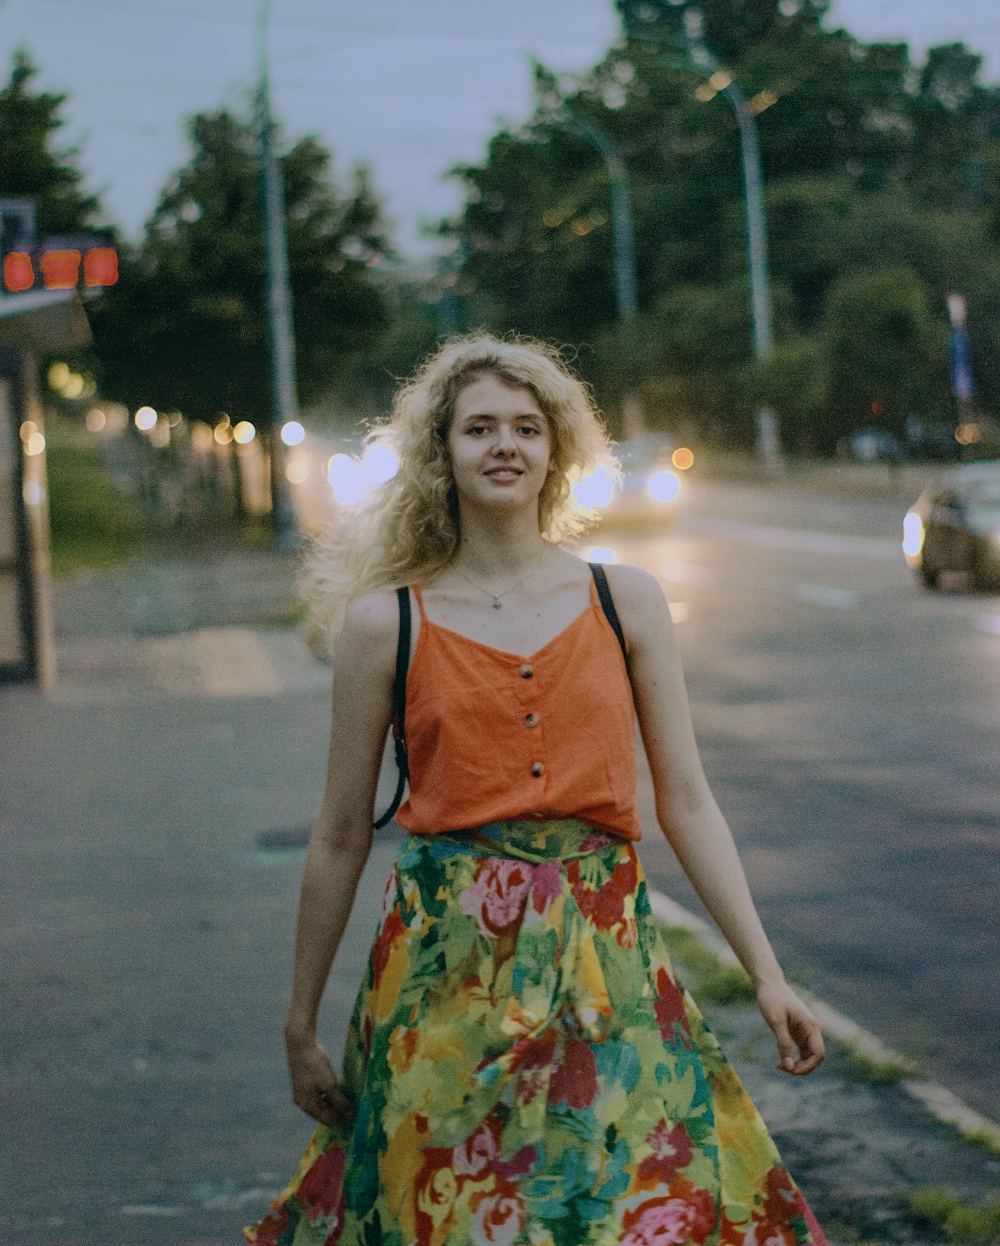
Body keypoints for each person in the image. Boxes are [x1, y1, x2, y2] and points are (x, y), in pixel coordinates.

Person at [245, 334, 829, 1246]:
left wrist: (767, 974)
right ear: (442, 453)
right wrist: (299, 1021)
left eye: (526, 427)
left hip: (608, 972)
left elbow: (687, 802)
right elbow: (338, 838)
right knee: (451, 1218)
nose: (504, 445)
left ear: (557, 450)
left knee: (633, 1214)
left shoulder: (623, 598)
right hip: (447, 983)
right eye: (479, 428)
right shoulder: (384, 623)